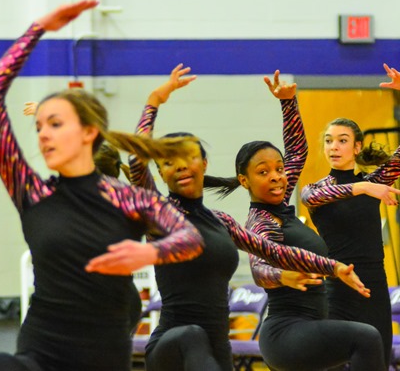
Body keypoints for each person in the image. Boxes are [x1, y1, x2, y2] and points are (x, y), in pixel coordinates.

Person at [86, 65, 371, 371]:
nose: (181, 167)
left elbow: (274, 252)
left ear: (204, 163)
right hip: (173, 344)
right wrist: (154, 100)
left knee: (204, 343)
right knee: (192, 336)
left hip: (216, 348)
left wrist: (334, 267)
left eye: (189, 158)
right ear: (161, 172)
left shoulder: (222, 221)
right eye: (169, 162)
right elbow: (136, 162)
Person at [0, 0, 207, 371]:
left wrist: (151, 254)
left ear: (88, 132)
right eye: (39, 127)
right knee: (0, 365)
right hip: (40, 346)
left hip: (102, 351)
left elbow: (190, 239)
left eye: (55, 124)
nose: (43, 136)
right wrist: (37, 29)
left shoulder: (129, 198)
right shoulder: (32, 192)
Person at [204, 70, 386, 370]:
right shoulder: (262, 221)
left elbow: (298, 153)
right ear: (244, 180)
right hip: (288, 332)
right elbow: (260, 269)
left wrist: (288, 103)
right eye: (263, 172)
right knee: (366, 338)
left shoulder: (280, 203)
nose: (276, 176)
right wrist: (283, 275)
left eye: (278, 168)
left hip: (312, 326)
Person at [301, 63, 400, 367]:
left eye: (342, 140)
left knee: (376, 362)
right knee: (333, 362)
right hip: (337, 287)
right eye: (329, 140)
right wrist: (364, 188)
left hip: (373, 287)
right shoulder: (317, 188)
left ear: (356, 147)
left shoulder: (374, 184)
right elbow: (314, 197)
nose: (334, 146)